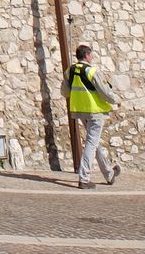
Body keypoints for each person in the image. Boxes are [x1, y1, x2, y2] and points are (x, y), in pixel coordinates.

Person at [61, 43, 122, 190]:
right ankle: (84, 178)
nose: (92, 57)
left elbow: (64, 91)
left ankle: (109, 173)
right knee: (91, 143)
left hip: (80, 111)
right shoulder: (91, 71)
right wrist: (116, 100)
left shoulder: (70, 71)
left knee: (93, 142)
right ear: (87, 55)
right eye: (91, 55)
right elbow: (104, 92)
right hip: (95, 111)